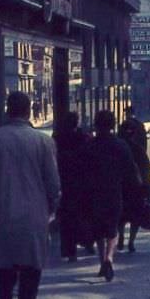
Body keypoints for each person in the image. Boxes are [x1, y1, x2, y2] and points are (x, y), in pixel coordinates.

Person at [0, 91, 61, 299]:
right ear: (28, 111)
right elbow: (53, 183)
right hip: (33, 216)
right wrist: (52, 208)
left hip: (2, 213)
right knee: (31, 272)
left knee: (5, 268)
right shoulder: (42, 141)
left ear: (8, 110)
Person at [87, 110, 141, 281]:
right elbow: (130, 170)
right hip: (114, 191)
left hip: (94, 191)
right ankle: (109, 257)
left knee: (98, 230)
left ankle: (101, 259)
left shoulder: (90, 145)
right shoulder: (120, 145)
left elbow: (81, 170)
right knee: (113, 228)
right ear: (112, 125)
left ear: (96, 124)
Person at [53, 111, 92, 262]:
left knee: (67, 218)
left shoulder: (57, 138)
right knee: (84, 214)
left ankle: (70, 251)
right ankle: (88, 242)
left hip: (65, 182)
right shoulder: (84, 138)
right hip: (82, 182)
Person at [117, 112, 150, 253]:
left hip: (120, 187)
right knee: (135, 216)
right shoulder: (138, 150)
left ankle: (120, 236)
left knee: (121, 216)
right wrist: (147, 189)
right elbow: (145, 170)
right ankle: (131, 240)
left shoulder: (117, 148)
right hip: (136, 188)